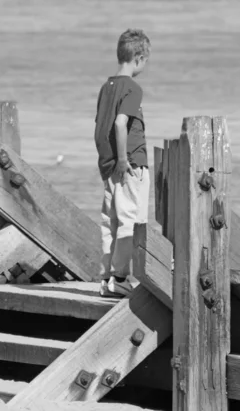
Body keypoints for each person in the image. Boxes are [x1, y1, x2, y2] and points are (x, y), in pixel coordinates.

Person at [94, 29, 151, 296]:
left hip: (109, 166)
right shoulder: (133, 88)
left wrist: (109, 161)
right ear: (138, 58)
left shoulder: (107, 88)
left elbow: (100, 127)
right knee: (132, 220)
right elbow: (119, 124)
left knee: (110, 221)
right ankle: (121, 277)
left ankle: (106, 278)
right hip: (129, 164)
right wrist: (122, 159)